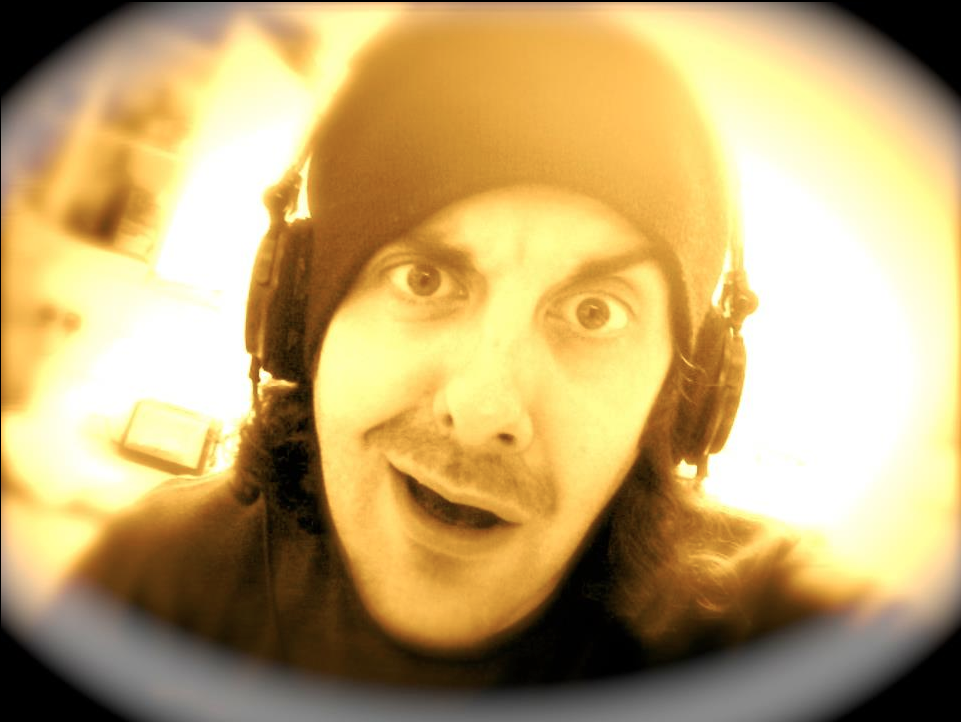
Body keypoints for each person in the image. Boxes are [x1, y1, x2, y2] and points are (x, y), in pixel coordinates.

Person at [63, 12, 857, 687]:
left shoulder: (784, 642)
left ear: (681, 398)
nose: (483, 410)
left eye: (594, 313)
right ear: (300, 319)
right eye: (423, 278)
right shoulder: (156, 579)